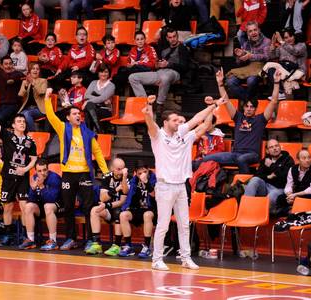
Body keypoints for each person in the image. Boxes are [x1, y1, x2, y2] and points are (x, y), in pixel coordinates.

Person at [144, 93, 226, 271]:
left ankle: (186, 258)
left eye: (179, 121)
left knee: (184, 224)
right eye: (175, 121)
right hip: (164, 186)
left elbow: (199, 120)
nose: (179, 123)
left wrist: (214, 106)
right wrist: (148, 109)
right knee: (163, 225)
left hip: (181, 186)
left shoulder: (183, 134)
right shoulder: (157, 136)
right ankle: (157, 259)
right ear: (166, 122)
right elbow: (150, 124)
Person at [44, 88, 109, 250]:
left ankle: (89, 240)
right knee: (68, 208)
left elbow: (98, 152)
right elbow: (51, 116)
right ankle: (71, 238)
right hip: (68, 175)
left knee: (88, 208)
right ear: (67, 117)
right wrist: (47, 98)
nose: (78, 115)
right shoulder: (62, 128)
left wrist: (105, 171)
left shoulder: (87, 133)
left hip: (84, 174)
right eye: (74, 114)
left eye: (79, 114)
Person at [0, 109, 37, 246]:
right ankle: (7, 235)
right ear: (14, 125)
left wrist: (25, 169)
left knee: (24, 206)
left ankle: (26, 236)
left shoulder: (30, 141)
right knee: (7, 207)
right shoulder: (7, 136)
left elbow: (34, 159)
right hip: (8, 177)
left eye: (23, 121)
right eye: (19, 121)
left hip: (22, 178)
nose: (22, 123)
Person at [202, 68, 281, 174]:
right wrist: (220, 83)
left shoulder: (260, 119)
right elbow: (226, 100)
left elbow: (274, 101)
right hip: (235, 154)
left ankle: (244, 184)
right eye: (247, 106)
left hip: (252, 155)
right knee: (207, 158)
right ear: (243, 108)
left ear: (255, 109)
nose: (249, 109)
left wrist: (276, 82)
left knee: (241, 159)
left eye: (252, 107)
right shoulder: (238, 117)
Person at [129, 28, 190, 116]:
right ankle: (145, 104)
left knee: (165, 78)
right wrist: (157, 65)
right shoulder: (164, 48)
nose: (172, 39)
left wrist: (168, 64)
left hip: (173, 72)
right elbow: (156, 61)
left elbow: (184, 67)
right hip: (160, 72)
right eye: (170, 37)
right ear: (167, 38)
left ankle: (159, 104)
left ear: (177, 36)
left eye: (174, 36)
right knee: (133, 77)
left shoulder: (182, 48)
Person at [86, 158, 129, 256]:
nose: (121, 171)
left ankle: (117, 246)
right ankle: (97, 244)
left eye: (123, 169)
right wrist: (116, 189)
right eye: (118, 169)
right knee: (94, 210)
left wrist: (107, 204)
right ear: (112, 168)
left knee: (119, 212)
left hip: (120, 209)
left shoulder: (126, 178)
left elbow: (122, 201)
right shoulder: (107, 177)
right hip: (108, 209)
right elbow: (103, 197)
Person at [19, 159, 62, 250]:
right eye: (39, 171)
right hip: (42, 207)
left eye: (44, 170)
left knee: (48, 206)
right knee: (28, 206)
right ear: (36, 171)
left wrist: (42, 187)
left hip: (57, 207)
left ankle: (53, 241)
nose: (42, 173)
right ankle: (30, 240)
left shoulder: (54, 178)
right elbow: (31, 200)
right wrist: (33, 189)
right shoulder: (35, 178)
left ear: (48, 169)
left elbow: (52, 199)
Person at [244, 139, 295, 215]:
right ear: (267, 151)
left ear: (280, 147)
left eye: (276, 146)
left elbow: (284, 177)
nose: (275, 148)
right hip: (266, 187)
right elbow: (257, 175)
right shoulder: (265, 160)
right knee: (255, 180)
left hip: (280, 189)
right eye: (271, 147)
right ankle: (245, 210)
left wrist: (271, 166)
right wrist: (268, 177)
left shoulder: (288, 159)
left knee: (271, 196)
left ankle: (261, 214)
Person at [118, 162, 157, 258]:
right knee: (123, 215)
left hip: (152, 209)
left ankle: (147, 247)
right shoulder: (135, 180)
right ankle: (128, 246)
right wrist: (124, 177)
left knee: (147, 215)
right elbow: (125, 191)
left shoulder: (154, 178)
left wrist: (146, 182)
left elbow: (154, 194)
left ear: (148, 170)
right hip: (137, 209)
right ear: (135, 173)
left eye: (145, 172)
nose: (143, 174)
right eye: (140, 173)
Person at [226, 21, 270, 102]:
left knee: (251, 80)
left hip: (261, 69)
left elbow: (267, 57)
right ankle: (249, 101)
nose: (253, 33)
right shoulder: (246, 44)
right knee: (230, 81)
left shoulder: (266, 41)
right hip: (247, 69)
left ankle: (247, 102)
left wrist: (251, 56)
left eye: (255, 30)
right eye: (250, 31)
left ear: (259, 30)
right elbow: (239, 63)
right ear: (247, 33)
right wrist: (240, 56)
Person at [265, 28, 307, 99]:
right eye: (286, 38)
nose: (289, 39)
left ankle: (282, 92)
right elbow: (272, 56)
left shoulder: (301, 45)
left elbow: (295, 52)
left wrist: (282, 42)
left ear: (294, 36)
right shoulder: (282, 47)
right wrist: (272, 44)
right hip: (284, 69)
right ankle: (280, 92)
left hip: (297, 70)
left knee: (274, 69)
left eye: (290, 36)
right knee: (271, 70)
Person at [276, 149, 311, 215]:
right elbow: (288, 185)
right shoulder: (292, 169)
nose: (307, 160)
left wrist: (295, 195)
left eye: (309, 157)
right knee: (281, 198)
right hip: (296, 196)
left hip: (308, 195)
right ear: (298, 160)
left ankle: (293, 211)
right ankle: (293, 210)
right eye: (304, 158)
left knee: (308, 197)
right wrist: (289, 195)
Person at [83, 64, 115, 133]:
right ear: (98, 73)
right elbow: (86, 95)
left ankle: (90, 133)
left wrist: (88, 101)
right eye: (101, 72)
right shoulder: (93, 83)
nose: (103, 74)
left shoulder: (111, 86)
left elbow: (102, 98)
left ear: (109, 73)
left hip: (105, 110)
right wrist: (100, 99)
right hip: (93, 108)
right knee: (89, 108)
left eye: (106, 72)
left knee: (88, 108)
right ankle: (99, 130)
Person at [18, 62, 48, 132]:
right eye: (33, 69)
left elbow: (41, 92)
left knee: (26, 114)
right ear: (29, 71)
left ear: (39, 71)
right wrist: (26, 85)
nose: (35, 70)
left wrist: (33, 83)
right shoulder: (25, 82)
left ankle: (33, 134)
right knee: (20, 116)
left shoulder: (43, 81)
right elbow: (20, 95)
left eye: (37, 69)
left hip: (39, 109)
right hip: (27, 108)